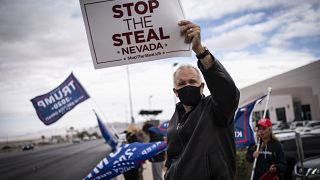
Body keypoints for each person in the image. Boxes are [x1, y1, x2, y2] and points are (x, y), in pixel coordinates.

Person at [164, 20, 240, 180]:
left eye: (192, 82)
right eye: (181, 84)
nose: (187, 86)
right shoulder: (174, 118)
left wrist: (200, 51)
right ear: (175, 91)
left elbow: (227, 91)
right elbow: (172, 156)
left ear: (202, 86)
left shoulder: (216, 109)